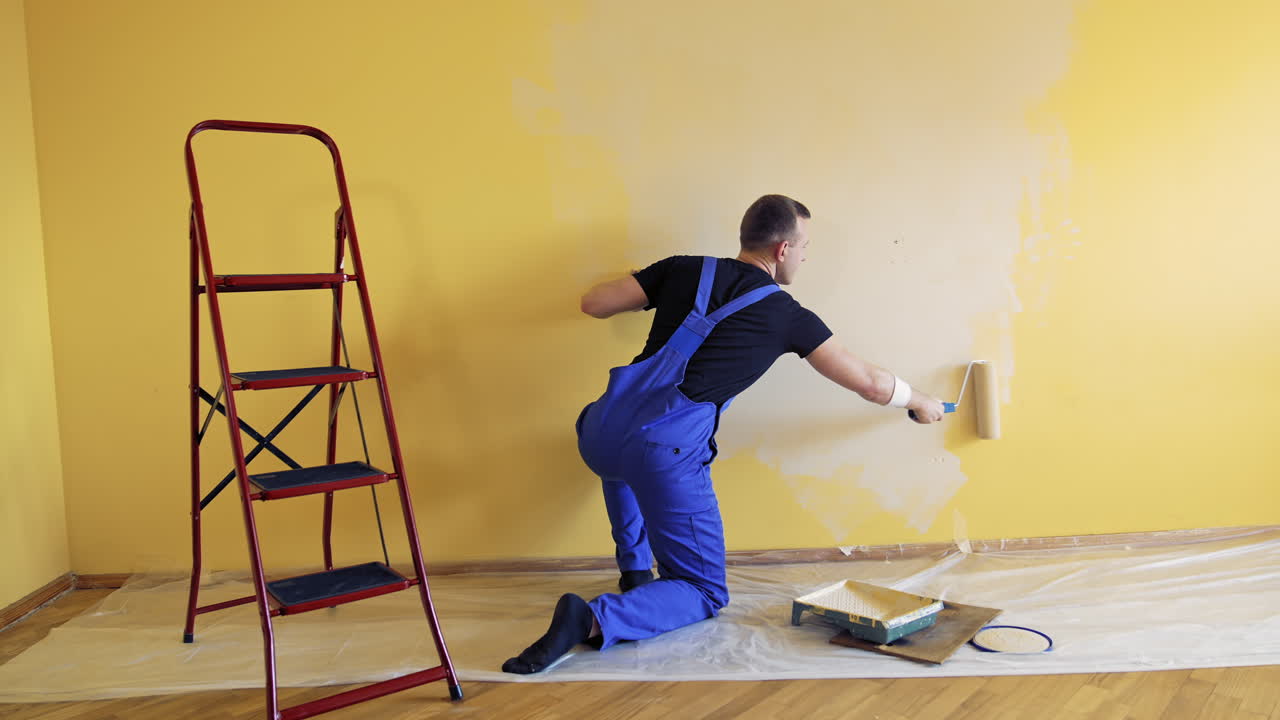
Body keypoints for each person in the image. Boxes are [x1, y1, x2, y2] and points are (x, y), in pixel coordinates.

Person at [502, 194, 946, 674]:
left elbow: (595, 304)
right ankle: (590, 620)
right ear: (782, 250)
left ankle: (634, 572)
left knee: (625, 459)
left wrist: (660, 287)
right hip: (661, 449)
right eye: (804, 246)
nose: (805, 256)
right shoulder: (788, 316)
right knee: (703, 590)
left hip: (599, 431)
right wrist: (922, 402)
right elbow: (872, 384)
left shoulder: (682, 267)